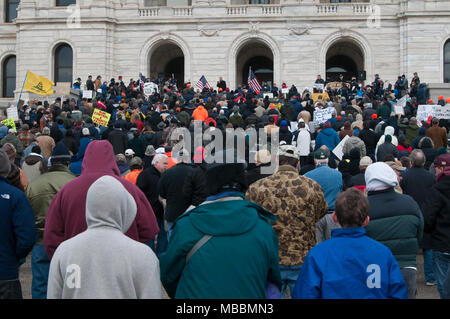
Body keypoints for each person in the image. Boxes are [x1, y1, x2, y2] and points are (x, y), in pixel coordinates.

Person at [161, 151, 281, 299]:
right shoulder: (264, 227)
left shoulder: (186, 226)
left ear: (209, 182)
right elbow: (272, 282)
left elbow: (169, 276)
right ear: (242, 182)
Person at [47, 176, 161, 299]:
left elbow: (53, 295)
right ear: (125, 207)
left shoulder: (64, 251)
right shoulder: (143, 255)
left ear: (89, 207)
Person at [44, 140, 159, 259]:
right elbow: (149, 229)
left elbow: (52, 235)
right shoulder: (130, 190)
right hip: (122, 264)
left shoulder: (66, 191)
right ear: (112, 159)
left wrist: (65, 261)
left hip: (79, 264)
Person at [292, 188, 408, 299]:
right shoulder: (383, 253)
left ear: (334, 217)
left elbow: (305, 293)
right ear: (366, 220)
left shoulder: (318, 254)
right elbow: (398, 292)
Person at [246, 145, 327, 297]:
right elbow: (320, 213)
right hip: (302, 256)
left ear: (276, 161)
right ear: (297, 164)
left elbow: (250, 219)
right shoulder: (312, 186)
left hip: (271, 257)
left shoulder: (257, 188)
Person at [364, 162, 424, 299]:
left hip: (374, 269)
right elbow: (420, 231)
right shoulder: (410, 202)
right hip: (407, 266)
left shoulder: (363, 207)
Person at [25, 142, 76, 299]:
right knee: (71, 287)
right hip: (70, 245)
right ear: (68, 163)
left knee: (41, 285)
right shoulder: (75, 183)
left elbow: (27, 216)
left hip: (41, 242)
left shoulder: (34, 185)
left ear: (50, 162)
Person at [0, 149, 37, 299]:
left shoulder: (15, 196)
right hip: (6, 272)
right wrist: (16, 257)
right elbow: (27, 236)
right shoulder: (16, 196)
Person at [400, 149, 437, 286]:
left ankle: (409, 277)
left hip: (410, 213)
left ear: (411, 161)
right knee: (428, 247)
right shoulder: (430, 177)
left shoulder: (405, 177)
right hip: (426, 213)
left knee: (410, 247)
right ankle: (430, 277)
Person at [422, 154, 450, 299]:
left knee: (444, 287)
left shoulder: (436, 190)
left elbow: (427, 219)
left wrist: (431, 232)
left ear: (441, 168)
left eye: (437, 168)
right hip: (442, 242)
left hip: (442, 244)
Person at [305, 149, 343, 243]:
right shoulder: (338, 174)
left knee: (317, 247)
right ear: (327, 160)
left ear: (315, 161)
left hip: (316, 216)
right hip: (333, 215)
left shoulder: (307, 176)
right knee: (334, 246)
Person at [158, 150, 195, 240]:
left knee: (172, 240)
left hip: (172, 213)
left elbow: (161, 193)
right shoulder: (195, 172)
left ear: (177, 159)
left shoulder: (167, 173)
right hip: (190, 213)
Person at [136, 153, 169, 256]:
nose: (166, 166)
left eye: (167, 164)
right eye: (164, 164)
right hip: (148, 212)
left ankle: (161, 258)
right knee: (149, 237)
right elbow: (138, 193)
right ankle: (148, 257)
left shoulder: (165, 175)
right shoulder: (145, 175)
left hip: (161, 212)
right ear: (156, 163)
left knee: (163, 236)